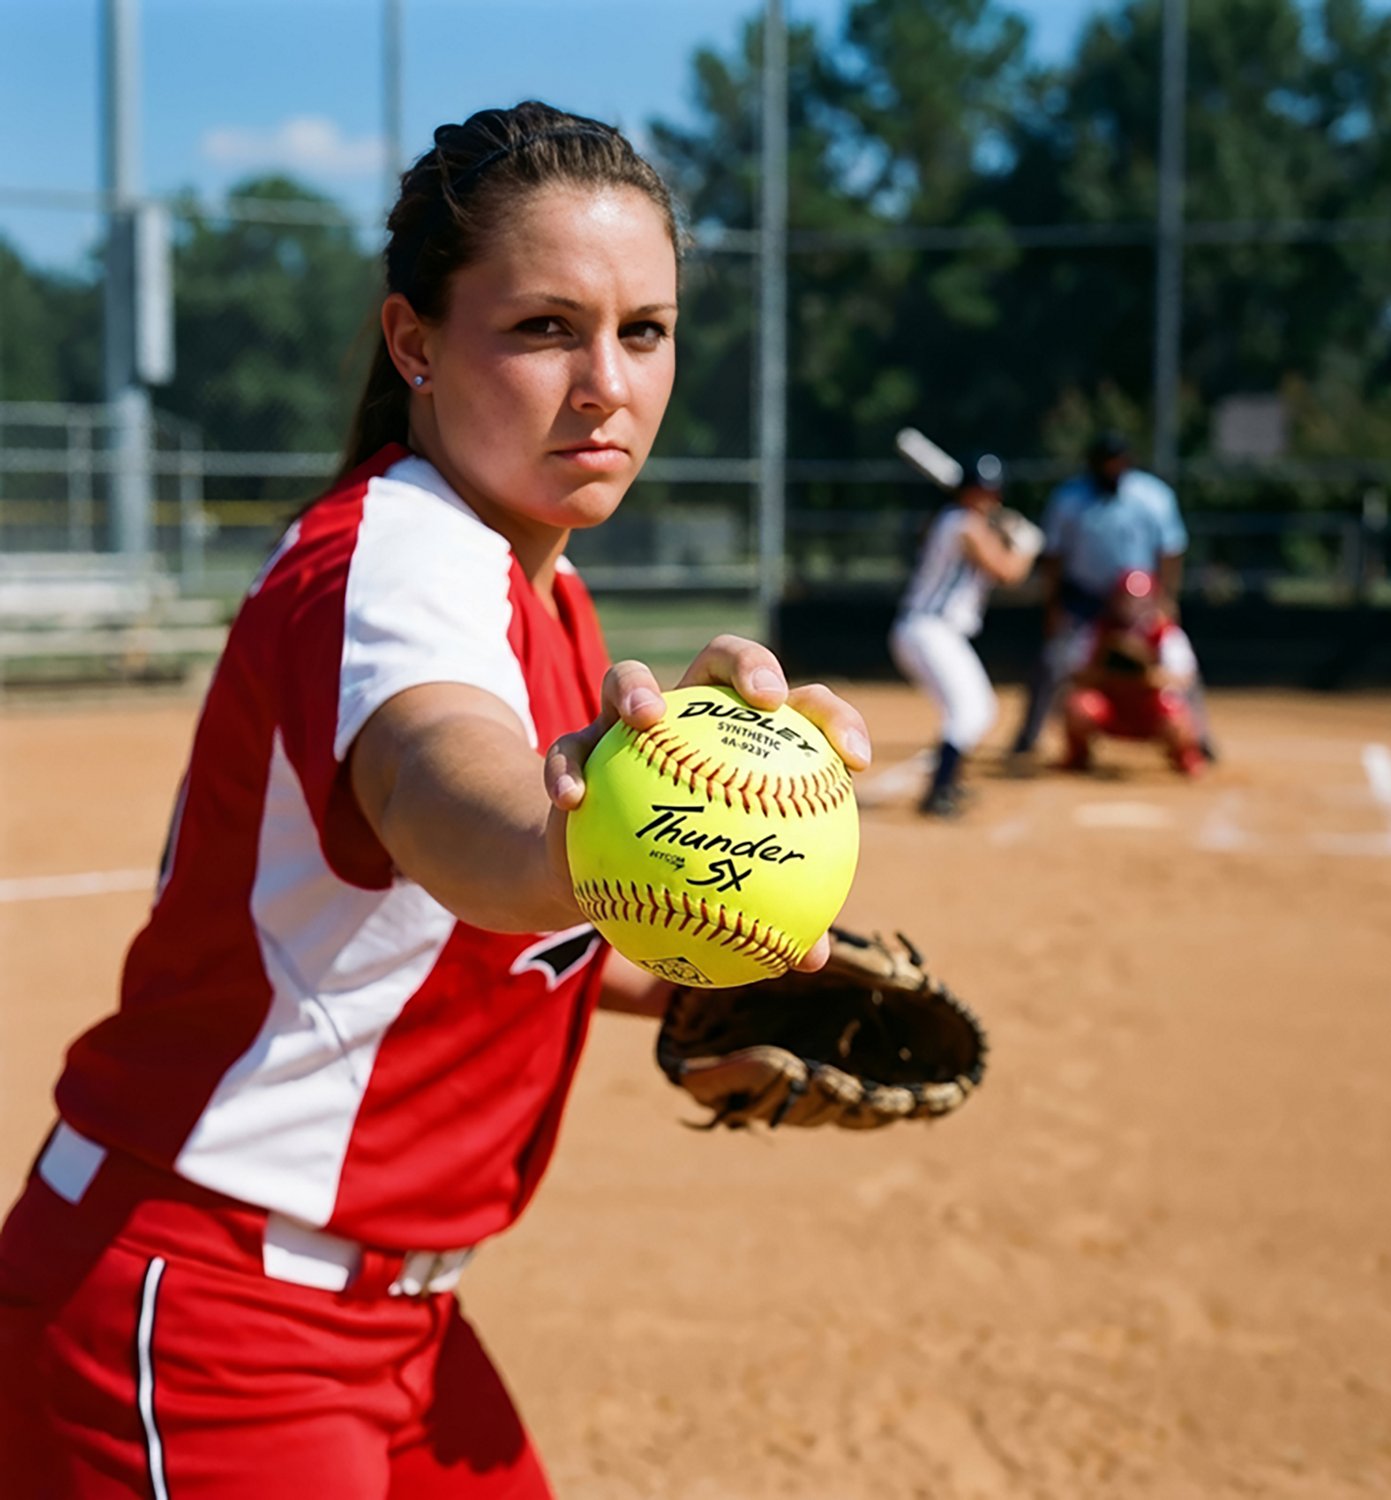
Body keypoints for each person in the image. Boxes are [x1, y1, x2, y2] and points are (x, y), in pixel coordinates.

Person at [0, 101, 870, 1499]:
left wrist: (690, 983)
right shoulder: (396, 565)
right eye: (544, 328)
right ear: (413, 341)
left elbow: (445, 941)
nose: (608, 385)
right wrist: (594, 838)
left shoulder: (547, 590)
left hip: (389, 1324)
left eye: (643, 330)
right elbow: (444, 797)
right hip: (208, 1311)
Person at [1005, 430, 1214, 769]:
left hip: (1141, 600)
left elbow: (1171, 551)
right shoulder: (1069, 499)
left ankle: (1201, 739)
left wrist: (1166, 599)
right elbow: (1055, 557)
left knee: (1180, 664)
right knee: (1054, 661)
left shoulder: (1153, 496)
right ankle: (1028, 736)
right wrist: (1054, 605)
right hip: (1085, 598)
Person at [889, 452, 1039, 817]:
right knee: (970, 712)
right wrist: (1027, 546)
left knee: (977, 710)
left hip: (934, 632)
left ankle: (947, 782)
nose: (988, 499)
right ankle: (939, 791)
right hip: (928, 630)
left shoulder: (962, 521)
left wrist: (1006, 533)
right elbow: (1008, 573)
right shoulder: (963, 524)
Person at [1058, 568, 1205, 777]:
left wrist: (1144, 672)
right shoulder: (1098, 630)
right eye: (1126, 598)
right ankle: (1078, 755)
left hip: (1148, 709)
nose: (1132, 605)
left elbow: (1182, 678)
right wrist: (1108, 670)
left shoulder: (1165, 633)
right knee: (1079, 706)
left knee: (1175, 714)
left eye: (1139, 599)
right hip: (1112, 706)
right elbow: (1074, 672)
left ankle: (1185, 755)